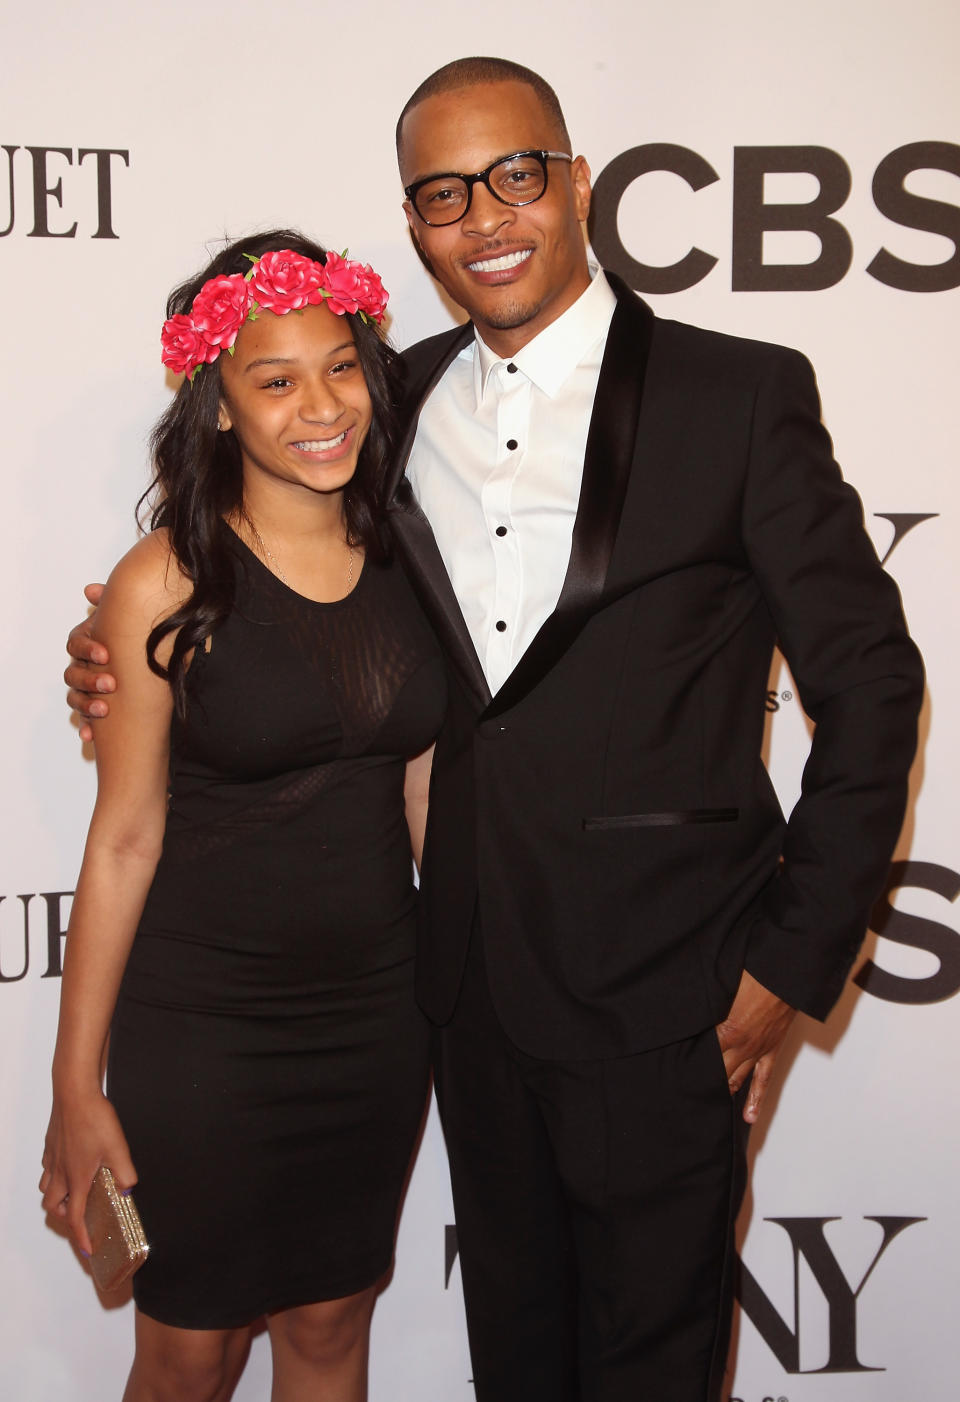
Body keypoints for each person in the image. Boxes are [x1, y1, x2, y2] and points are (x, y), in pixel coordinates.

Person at [64, 58, 925, 1402]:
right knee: (515, 1362)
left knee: (650, 1367)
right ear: (415, 226)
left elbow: (873, 688)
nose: (488, 216)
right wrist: (118, 653)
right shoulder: (384, 405)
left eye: (517, 174)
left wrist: (789, 966)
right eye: (446, 193)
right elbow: (280, 594)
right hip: (461, 996)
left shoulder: (739, 394)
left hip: (670, 991)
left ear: (577, 181)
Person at [43, 230, 445, 1402]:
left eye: (341, 366)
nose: (320, 406)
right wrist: (78, 1090)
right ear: (217, 403)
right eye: (274, 380)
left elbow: (425, 792)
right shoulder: (165, 580)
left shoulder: (414, 558)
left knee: (330, 1330)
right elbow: (123, 838)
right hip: (204, 1029)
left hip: (377, 1016)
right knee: (188, 1354)